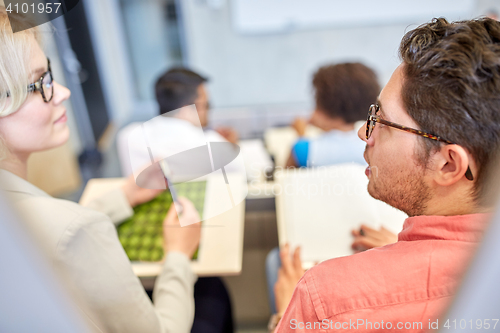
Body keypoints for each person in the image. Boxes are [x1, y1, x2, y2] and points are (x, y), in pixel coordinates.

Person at [274, 17, 500, 332]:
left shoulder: (323, 299)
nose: (365, 136)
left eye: (383, 121)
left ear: (449, 164)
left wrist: (288, 316)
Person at [0, 8, 202, 333]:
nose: (62, 92)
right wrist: (178, 254)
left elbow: (45, 235)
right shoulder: (76, 229)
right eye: (42, 83)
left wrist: (123, 195)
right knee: (213, 295)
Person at [266, 62, 381, 316]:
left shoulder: (305, 149)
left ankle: (282, 319)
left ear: (322, 106)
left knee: (276, 259)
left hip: (315, 251)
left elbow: (286, 185)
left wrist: (302, 133)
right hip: (371, 244)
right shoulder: (379, 142)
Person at [285, 62, 380, 168]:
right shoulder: (373, 149)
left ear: (322, 107)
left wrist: (301, 135)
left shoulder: (302, 149)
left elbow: (283, 179)